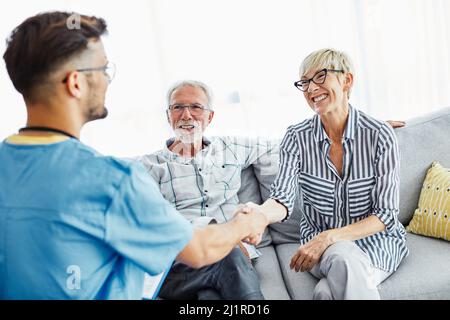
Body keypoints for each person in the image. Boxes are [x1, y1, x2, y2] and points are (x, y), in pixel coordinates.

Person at [0, 11, 268, 300]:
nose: (107, 80)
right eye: (103, 69)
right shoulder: (111, 180)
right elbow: (199, 249)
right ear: (76, 82)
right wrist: (246, 223)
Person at [244, 48, 409, 300]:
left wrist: (328, 237)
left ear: (347, 80)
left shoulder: (379, 135)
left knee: (324, 292)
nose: (311, 89)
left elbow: (385, 215)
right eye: (305, 82)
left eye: (320, 76)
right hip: (321, 250)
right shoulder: (296, 137)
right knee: (341, 255)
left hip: (377, 243)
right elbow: (282, 198)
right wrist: (261, 215)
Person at [137, 80, 285, 299]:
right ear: (168, 116)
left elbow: (285, 147)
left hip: (230, 257)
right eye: (178, 107)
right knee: (230, 254)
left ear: (210, 116)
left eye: (196, 107)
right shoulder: (148, 167)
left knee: (209, 296)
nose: (186, 115)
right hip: (183, 262)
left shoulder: (231, 148)